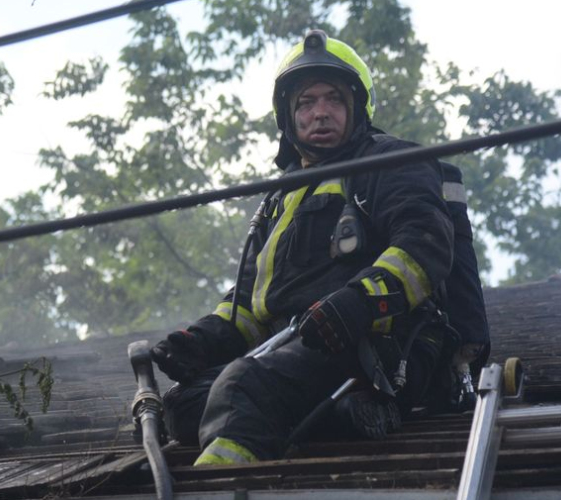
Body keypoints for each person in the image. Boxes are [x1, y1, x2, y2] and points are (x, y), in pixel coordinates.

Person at [150, 30, 489, 465]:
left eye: (333, 99)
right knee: (184, 405)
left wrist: (357, 304)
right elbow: (253, 306)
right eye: (306, 103)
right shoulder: (280, 199)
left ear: (357, 108)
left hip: (380, 350)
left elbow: (425, 248)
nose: (320, 113)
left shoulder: (390, 162)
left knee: (243, 388)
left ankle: (219, 487)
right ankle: (348, 414)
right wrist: (199, 342)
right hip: (290, 352)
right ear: (288, 118)